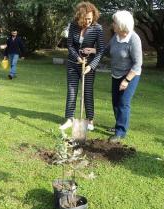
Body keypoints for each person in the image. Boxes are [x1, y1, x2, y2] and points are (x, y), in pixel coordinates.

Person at [59, 1, 105, 131]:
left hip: (88, 66)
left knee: (88, 92)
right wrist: (78, 58)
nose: (88, 21)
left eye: (90, 19)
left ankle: (90, 120)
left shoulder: (97, 28)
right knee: (72, 92)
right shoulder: (73, 26)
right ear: (80, 17)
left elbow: (101, 50)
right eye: (86, 19)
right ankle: (69, 119)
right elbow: (70, 45)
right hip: (73, 64)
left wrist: (91, 66)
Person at [103, 10, 143, 143]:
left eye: (114, 22)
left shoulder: (133, 39)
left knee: (123, 103)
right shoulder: (116, 37)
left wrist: (126, 80)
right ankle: (118, 126)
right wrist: (94, 51)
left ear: (121, 25)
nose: (112, 24)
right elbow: (107, 50)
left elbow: (138, 64)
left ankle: (120, 132)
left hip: (130, 75)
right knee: (115, 102)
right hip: (115, 74)